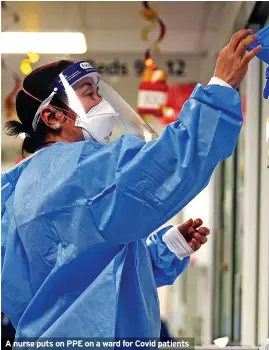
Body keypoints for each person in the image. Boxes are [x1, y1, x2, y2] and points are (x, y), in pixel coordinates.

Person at [1, 29, 261, 342]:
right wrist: (220, 86)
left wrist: (167, 249)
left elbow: (84, 277)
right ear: (53, 117)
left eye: (99, 91)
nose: (101, 103)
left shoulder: (13, 191)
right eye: (89, 94)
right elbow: (170, 161)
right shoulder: (82, 173)